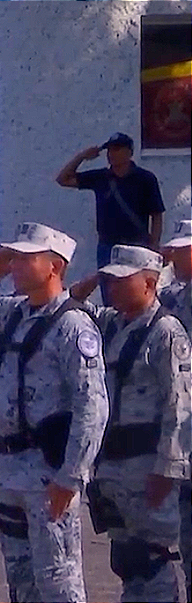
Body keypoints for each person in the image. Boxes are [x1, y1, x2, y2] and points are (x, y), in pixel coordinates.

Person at [0, 222, 109, 603]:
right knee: (21, 581)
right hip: (9, 469)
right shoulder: (14, 313)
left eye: (26, 259)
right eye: (15, 258)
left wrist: (72, 476)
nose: (15, 266)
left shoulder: (72, 325)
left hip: (48, 474)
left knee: (58, 581)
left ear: (55, 267)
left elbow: (91, 407)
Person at [77, 245, 190, 602]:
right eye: (110, 281)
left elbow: (180, 402)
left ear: (150, 283)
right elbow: (68, 306)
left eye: (123, 280)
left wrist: (168, 469)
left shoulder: (166, 331)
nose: (113, 289)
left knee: (153, 558)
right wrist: (97, 276)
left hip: (147, 465)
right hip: (113, 466)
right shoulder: (111, 323)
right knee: (126, 560)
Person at [56, 132, 165, 266]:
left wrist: (154, 246)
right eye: (109, 149)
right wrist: (82, 157)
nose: (111, 153)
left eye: (117, 149)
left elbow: (156, 215)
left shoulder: (145, 178)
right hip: (108, 247)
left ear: (129, 152)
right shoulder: (101, 177)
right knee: (109, 286)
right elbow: (63, 179)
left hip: (137, 246)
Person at [157, 220, 192, 603]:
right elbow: (155, 295)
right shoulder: (179, 295)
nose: (175, 256)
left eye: (181, 250)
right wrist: (165, 263)